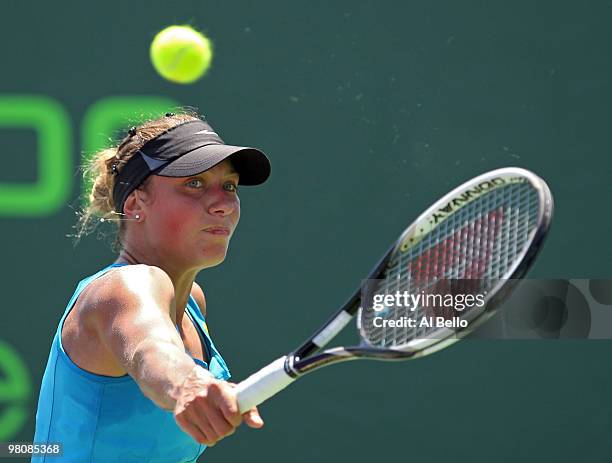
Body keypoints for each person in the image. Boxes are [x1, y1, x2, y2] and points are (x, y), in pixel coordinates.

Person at [31, 112, 271, 462]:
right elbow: (150, 348)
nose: (222, 204)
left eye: (229, 186)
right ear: (135, 205)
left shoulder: (192, 304)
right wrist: (187, 383)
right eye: (195, 184)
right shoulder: (124, 287)